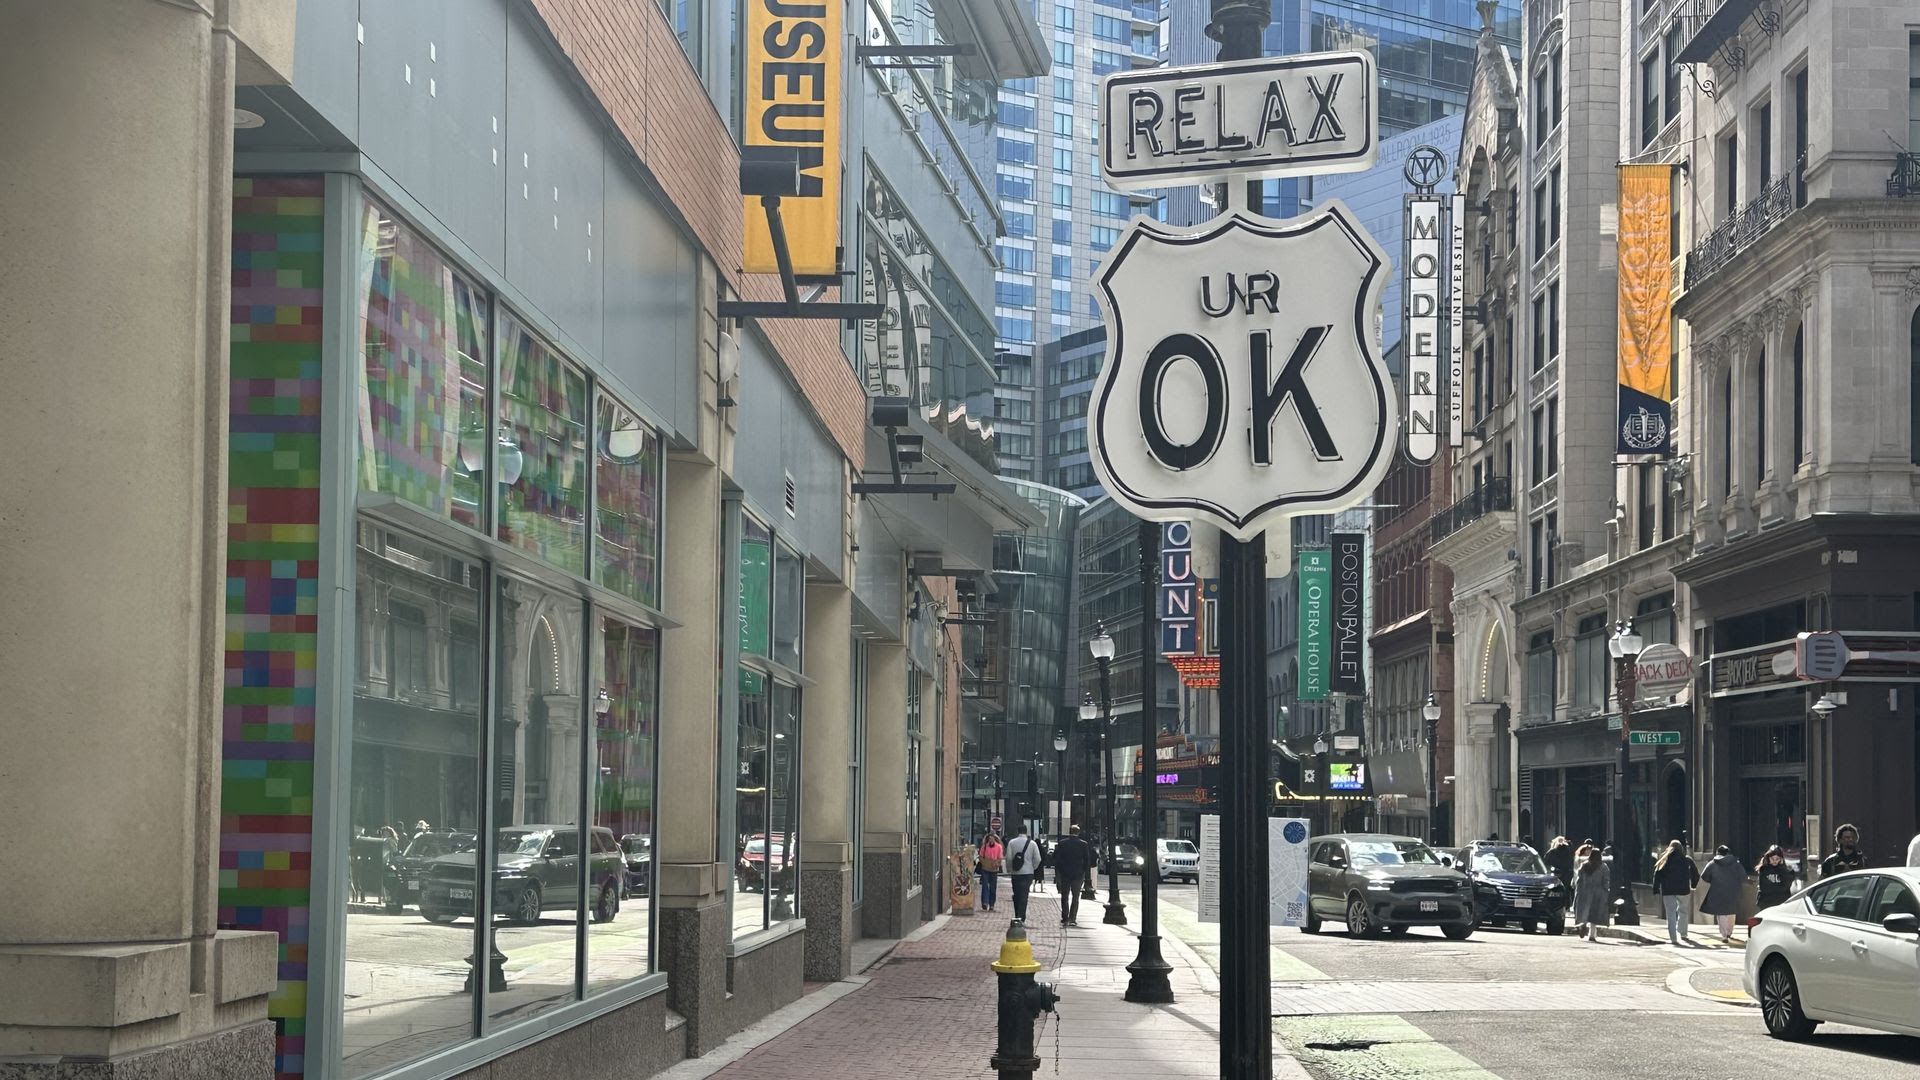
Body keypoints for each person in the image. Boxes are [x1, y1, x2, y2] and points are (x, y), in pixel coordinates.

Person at [1652, 840, 1700, 946]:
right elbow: (1695, 874)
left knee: (1671, 914)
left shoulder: (1664, 859)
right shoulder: (1687, 859)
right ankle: (1683, 933)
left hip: (1668, 890)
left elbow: (1657, 875)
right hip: (1683, 890)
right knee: (1683, 911)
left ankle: (1673, 938)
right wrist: (1693, 885)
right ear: (1681, 848)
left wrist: (1656, 889)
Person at [1700, 844, 1746, 943]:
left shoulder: (1713, 863)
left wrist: (1712, 881)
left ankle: (1724, 935)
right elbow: (1743, 876)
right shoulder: (1735, 863)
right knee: (1731, 911)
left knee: (1721, 913)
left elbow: (1704, 876)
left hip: (1717, 890)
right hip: (1733, 891)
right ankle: (1729, 932)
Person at [1050, 826, 1094, 926]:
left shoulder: (1062, 843)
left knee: (1064, 896)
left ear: (1069, 832)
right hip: (1078, 874)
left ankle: (1065, 917)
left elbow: (1056, 858)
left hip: (1065, 873)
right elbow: (1087, 860)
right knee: (1075, 897)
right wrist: (1083, 871)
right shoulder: (1083, 844)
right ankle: (1072, 918)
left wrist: (1060, 871)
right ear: (1078, 832)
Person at [1572, 843, 1611, 942]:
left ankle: (1583, 925)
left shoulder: (1584, 865)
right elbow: (1606, 881)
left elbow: (1579, 880)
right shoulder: (1603, 867)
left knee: (1585, 911)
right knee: (1595, 914)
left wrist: (1578, 890)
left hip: (1585, 892)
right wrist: (1606, 891)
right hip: (1598, 893)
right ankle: (1592, 934)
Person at [1005, 824, 1043, 922]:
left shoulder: (1012, 843)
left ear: (1018, 831)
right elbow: (1038, 859)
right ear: (1027, 832)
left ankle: (1017, 914)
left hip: (1016, 873)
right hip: (1027, 873)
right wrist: (1032, 867)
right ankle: (1021, 917)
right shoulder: (1032, 844)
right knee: (1024, 895)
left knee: (1016, 894)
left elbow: (1008, 858)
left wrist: (1010, 869)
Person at [977, 833, 1004, 914]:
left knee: (993, 887)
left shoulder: (998, 847)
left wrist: (997, 863)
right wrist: (985, 863)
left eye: (992, 839)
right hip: (985, 868)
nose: (991, 840)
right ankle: (985, 902)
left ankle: (992, 904)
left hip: (994, 869)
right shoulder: (985, 846)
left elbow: (1000, 858)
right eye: (989, 839)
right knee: (985, 886)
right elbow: (981, 856)